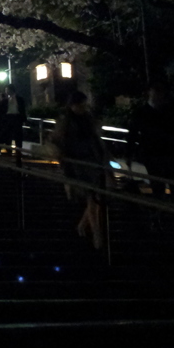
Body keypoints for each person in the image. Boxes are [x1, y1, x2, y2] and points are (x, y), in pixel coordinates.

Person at [52, 91, 108, 250]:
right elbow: (57, 141)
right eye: (80, 104)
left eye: (84, 104)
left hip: (91, 161)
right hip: (77, 163)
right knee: (92, 196)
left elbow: (96, 139)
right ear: (72, 105)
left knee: (96, 196)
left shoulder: (87, 119)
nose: (83, 107)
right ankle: (97, 233)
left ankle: (83, 225)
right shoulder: (66, 122)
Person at [127, 82, 174, 204]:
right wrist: (129, 153)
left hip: (168, 153)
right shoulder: (144, 112)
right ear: (150, 92)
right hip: (154, 154)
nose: (159, 95)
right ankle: (165, 212)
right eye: (156, 91)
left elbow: (132, 134)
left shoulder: (165, 111)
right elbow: (132, 134)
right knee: (160, 186)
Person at [1, 83, 28, 155]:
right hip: (8, 118)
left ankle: (18, 151)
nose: (6, 91)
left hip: (17, 118)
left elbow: (22, 109)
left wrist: (24, 119)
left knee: (18, 135)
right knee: (8, 135)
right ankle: (8, 150)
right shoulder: (5, 100)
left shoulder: (19, 99)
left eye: (7, 89)